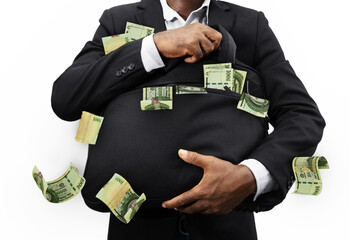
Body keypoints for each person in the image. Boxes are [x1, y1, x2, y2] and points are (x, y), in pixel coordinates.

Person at [51, 0, 325, 239]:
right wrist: (153, 46)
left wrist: (250, 176)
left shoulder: (249, 24)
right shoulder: (118, 20)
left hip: (227, 230)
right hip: (137, 230)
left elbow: (302, 115)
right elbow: (66, 98)